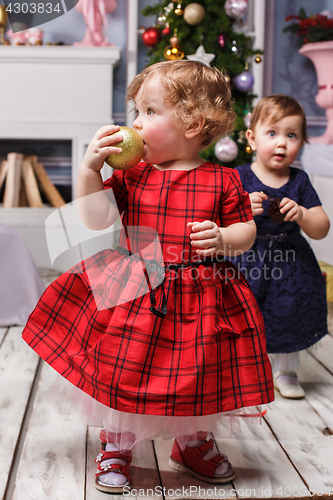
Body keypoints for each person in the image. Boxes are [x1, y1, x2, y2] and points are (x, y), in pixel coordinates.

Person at [22, 61, 274, 493]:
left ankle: (191, 441)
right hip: (138, 287)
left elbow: (246, 231)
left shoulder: (223, 179)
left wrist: (223, 237)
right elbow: (96, 218)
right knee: (129, 366)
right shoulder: (132, 174)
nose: (135, 124)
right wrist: (89, 170)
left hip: (200, 294)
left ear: (194, 123)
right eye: (136, 112)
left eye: (149, 113)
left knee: (198, 369)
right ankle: (117, 441)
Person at [232, 94, 330, 400]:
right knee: (243, 313)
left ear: (301, 142)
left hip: (290, 264)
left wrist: (301, 213)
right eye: (272, 133)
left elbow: (322, 227)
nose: (282, 143)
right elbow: (218, 218)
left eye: (292, 135)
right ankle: (241, 371)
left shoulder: (299, 182)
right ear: (252, 137)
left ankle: (286, 371)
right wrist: (240, 207)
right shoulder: (239, 177)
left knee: (290, 312)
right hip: (246, 259)